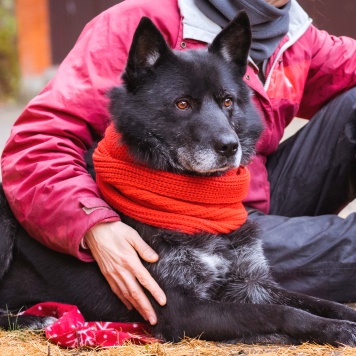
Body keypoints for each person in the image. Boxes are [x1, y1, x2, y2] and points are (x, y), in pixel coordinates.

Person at [2, 0, 356, 326]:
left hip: (242, 195)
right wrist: (94, 225)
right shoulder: (138, 20)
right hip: (166, 214)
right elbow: (37, 145)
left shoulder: (295, 33)